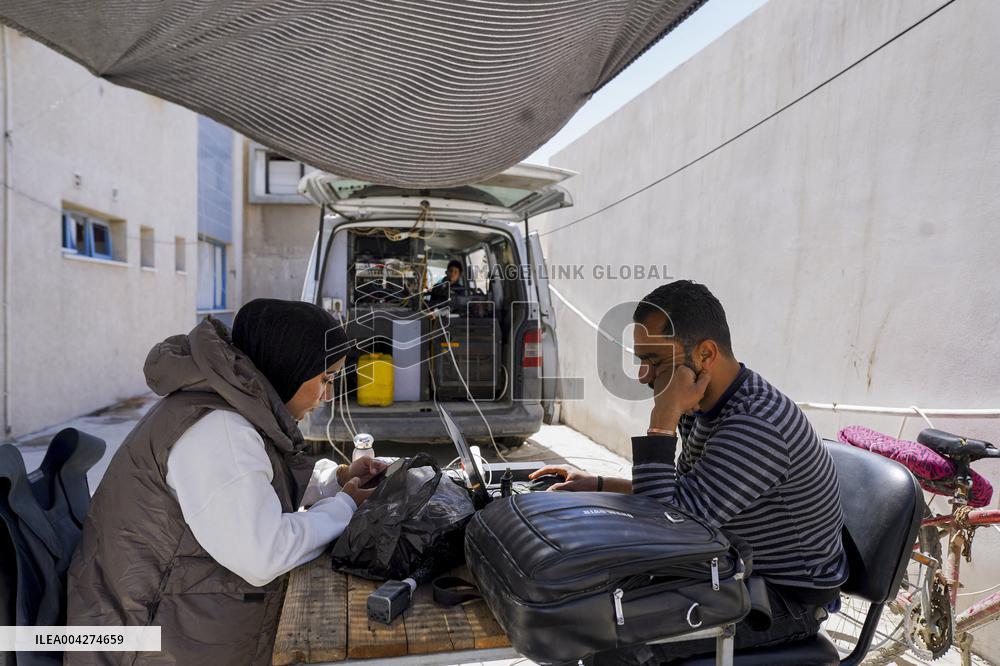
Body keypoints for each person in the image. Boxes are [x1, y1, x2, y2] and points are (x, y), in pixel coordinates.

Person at [531, 280, 847, 664]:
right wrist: (599, 485)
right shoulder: (703, 405)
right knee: (587, 600)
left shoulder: (756, 424)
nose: (643, 375)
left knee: (614, 644)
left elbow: (666, 531)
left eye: (655, 361)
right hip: (730, 565)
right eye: (641, 360)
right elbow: (679, 499)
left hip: (781, 597)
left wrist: (662, 419)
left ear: (706, 354)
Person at [66, 299, 387, 665]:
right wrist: (345, 505)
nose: (327, 395)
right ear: (288, 366)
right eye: (325, 379)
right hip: (145, 642)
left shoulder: (229, 406)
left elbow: (249, 481)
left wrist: (337, 479)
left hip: (169, 613)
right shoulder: (218, 428)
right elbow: (263, 553)